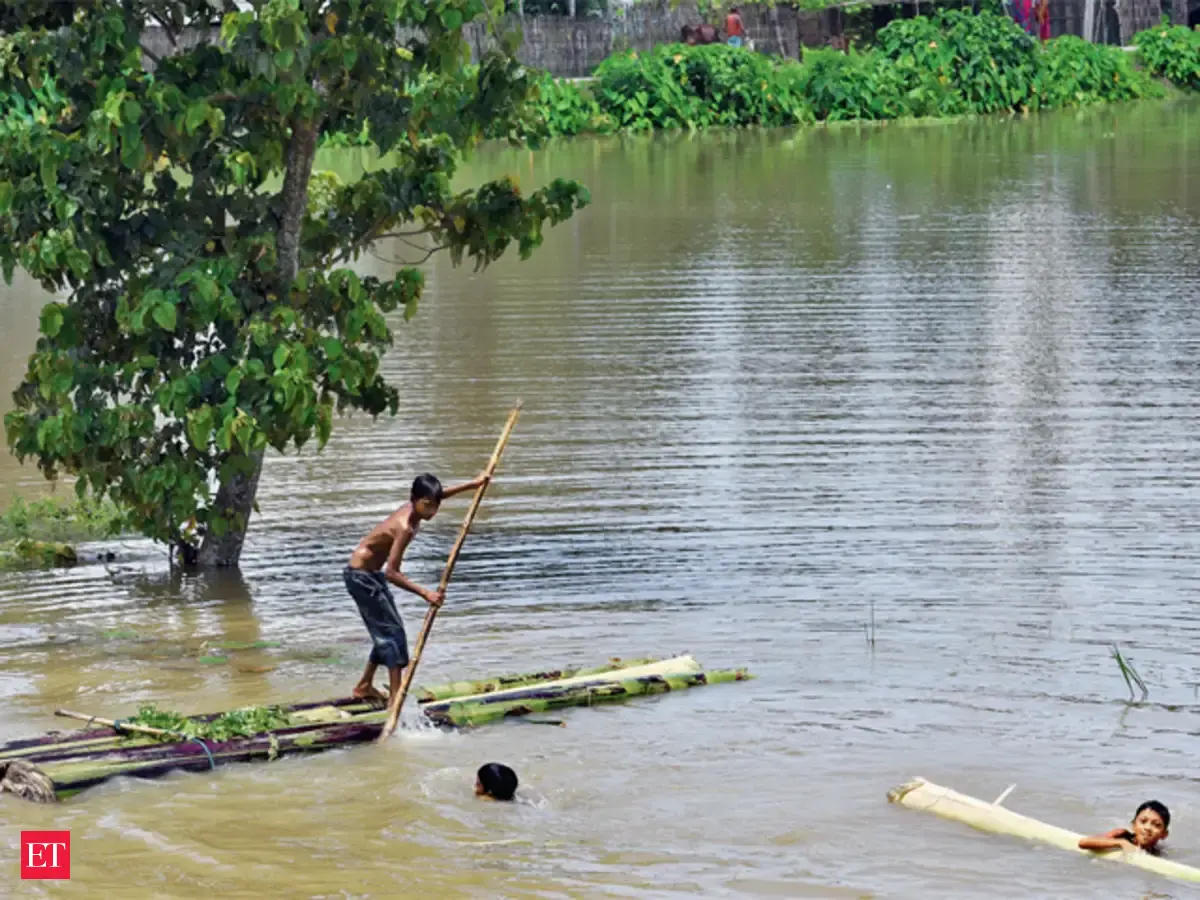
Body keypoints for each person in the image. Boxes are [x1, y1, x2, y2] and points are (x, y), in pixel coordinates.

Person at [344, 470, 488, 705]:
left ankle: (364, 686)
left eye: (435, 506)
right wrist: (426, 593)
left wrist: (473, 484)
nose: (432, 511)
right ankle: (396, 698)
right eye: (427, 506)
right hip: (361, 578)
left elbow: (440, 495)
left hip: (370, 575)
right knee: (393, 634)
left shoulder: (416, 509)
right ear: (415, 500)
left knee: (386, 632)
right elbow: (392, 572)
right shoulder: (404, 527)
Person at [1078, 801, 1170, 856]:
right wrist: (1121, 843)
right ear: (1133, 825)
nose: (1147, 828)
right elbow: (1083, 842)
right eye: (1143, 821)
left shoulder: (1158, 851)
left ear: (1164, 834)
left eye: (1156, 825)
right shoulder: (1122, 835)